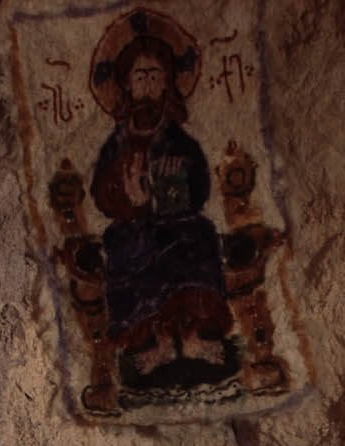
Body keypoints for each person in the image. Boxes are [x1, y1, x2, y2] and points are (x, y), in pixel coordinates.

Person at [89, 17, 231, 379]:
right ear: (127, 85)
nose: (148, 85)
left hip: (177, 222)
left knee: (199, 234)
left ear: (167, 82)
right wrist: (131, 198)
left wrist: (173, 188)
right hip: (133, 227)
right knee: (126, 245)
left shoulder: (178, 139)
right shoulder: (117, 143)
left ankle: (194, 334)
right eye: (140, 77)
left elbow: (199, 189)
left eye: (154, 76)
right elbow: (100, 193)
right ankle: (153, 342)